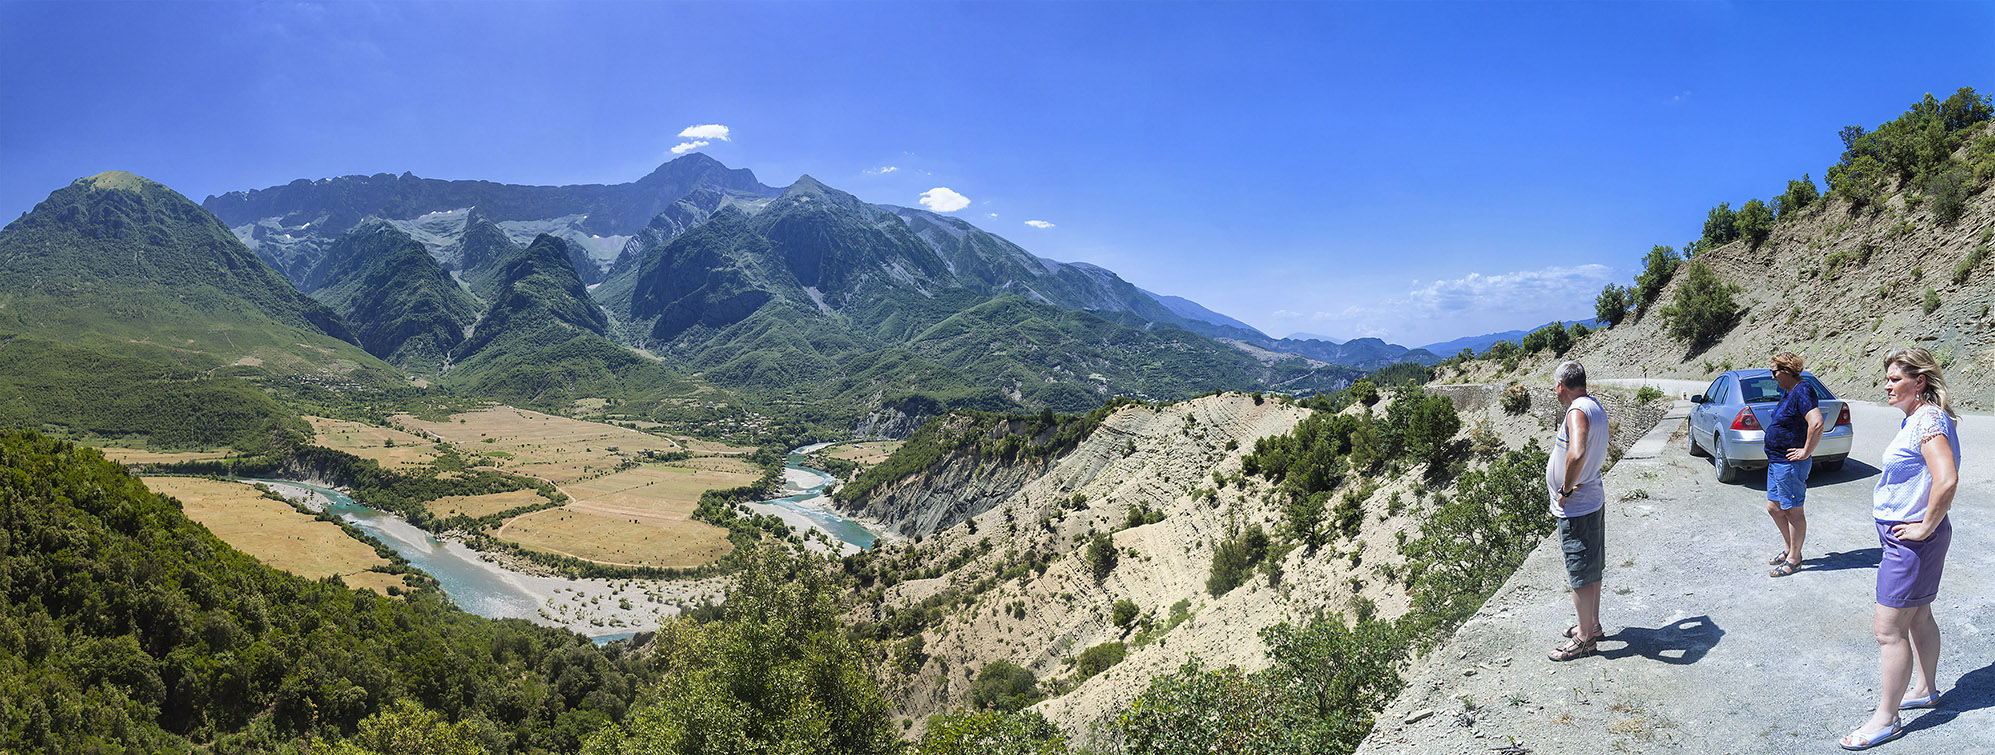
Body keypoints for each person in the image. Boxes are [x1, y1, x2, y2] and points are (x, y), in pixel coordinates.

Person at [1840, 347, 1961, 750]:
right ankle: (1925, 689)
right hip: (1912, 538)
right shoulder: (1919, 417)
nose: (1887, 385)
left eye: (1895, 379)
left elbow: (1946, 478)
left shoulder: (1926, 419)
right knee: (1918, 616)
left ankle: (1885, 718)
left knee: (1888, 630)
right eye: (1887, 378)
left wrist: (1925, 526)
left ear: (1919, 381)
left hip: (1911, 541)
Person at [1546, 360, 1610, 662]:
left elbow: (1578, 451)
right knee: (1592, 567)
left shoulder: (1577, 411)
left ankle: (1584, 640)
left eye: (1555, 386)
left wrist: (1566, 489)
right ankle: (1592, 626)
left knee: (1580, 575)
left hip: (1578, 508)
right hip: (1593, 499)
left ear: (1561, 386)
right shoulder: (1594, 405)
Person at [1763, 352, 1822, 578]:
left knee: (1793, 511)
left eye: (1775, 372)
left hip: (1789, 464)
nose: (1773, 377)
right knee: (1774, 508)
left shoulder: (1803, 390)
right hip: (1777, 461)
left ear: (1787, 371)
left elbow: (1816, 423)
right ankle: (1790, 549)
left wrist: (1806, 451)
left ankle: (1795, 560)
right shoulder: (1789, 392)